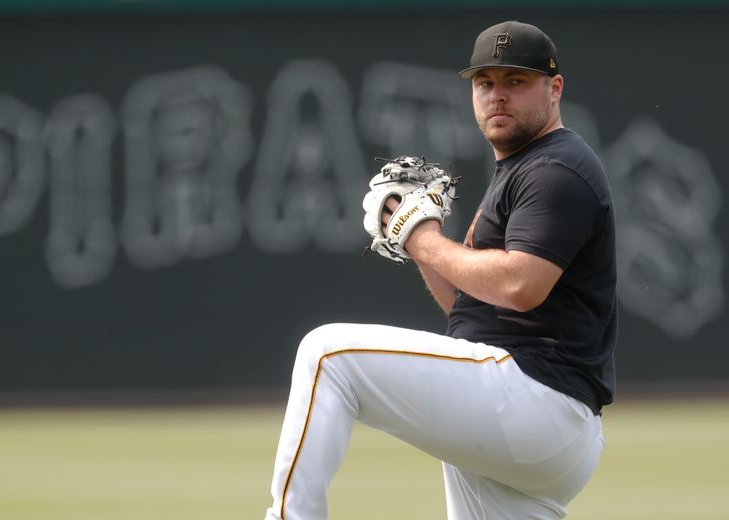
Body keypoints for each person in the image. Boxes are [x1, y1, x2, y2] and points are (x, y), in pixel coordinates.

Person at [263, 20, 616, 520]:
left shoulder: (556, 169)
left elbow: (519, 285)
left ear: (554, 88)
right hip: (542, 424)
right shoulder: (523, 168)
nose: (497, 96)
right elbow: (472, 305)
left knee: (328, 354)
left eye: (515, 81)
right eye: (485, 83)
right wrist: (418, 237)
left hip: (535, 398)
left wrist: (423, 238)